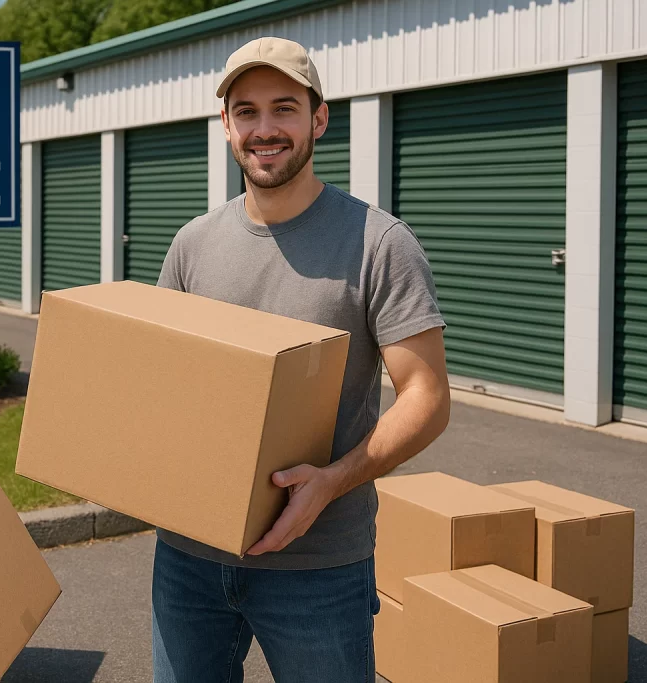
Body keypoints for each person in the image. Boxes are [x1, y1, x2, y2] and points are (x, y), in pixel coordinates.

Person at [152, 36, 451, 682]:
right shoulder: (191, 245)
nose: (264, 129)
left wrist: (332, 481)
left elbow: (427, 397)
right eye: (247, 111)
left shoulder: (379, 243)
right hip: (189, 557)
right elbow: (163, 384)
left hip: (318, 564)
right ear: (226, 125)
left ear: (319, 119)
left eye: (284, 108)